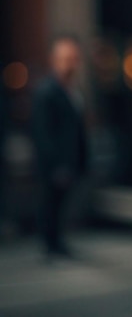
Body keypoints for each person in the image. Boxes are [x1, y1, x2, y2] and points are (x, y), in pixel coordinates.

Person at [32, 34, 88, 258]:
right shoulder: (47, 91)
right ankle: (51, 246)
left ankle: (57, 244)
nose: (70, 64)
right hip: (54, 163)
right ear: (54, 60)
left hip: (70, 160)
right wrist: (55, 164)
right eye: (65, 58)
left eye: (73, 58)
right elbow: (42, 132)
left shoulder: (72, 90)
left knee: (62, 205)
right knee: (51, 204)